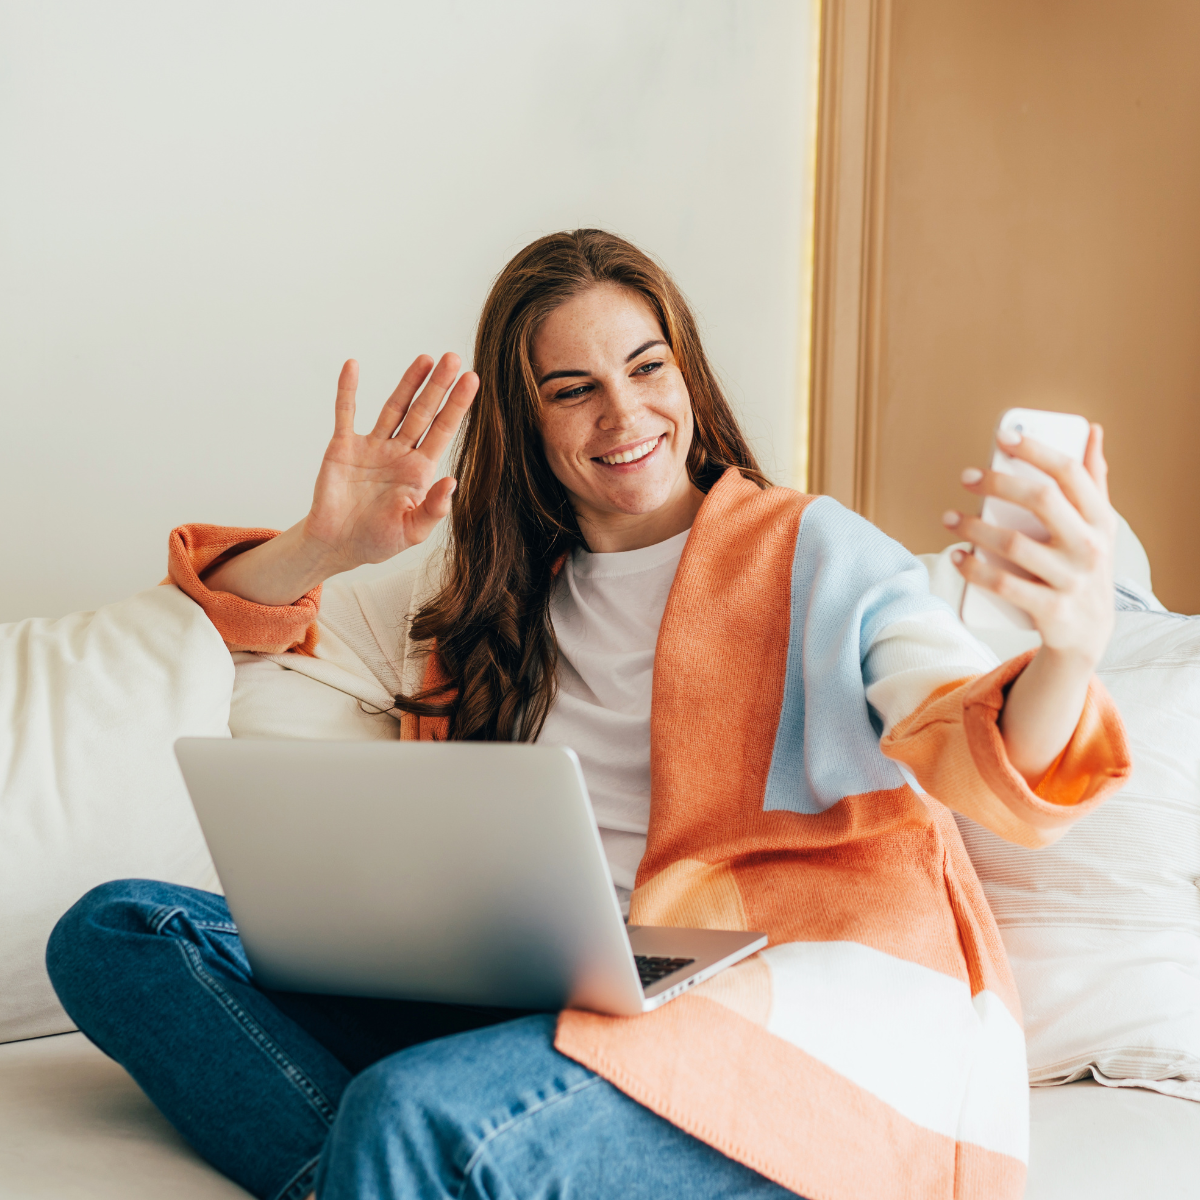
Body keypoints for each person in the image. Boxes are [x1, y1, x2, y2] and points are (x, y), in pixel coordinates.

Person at [46, 229, 1130, 1200]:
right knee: (118, 931)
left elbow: (972, 742)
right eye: (573, 389)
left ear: (687, 374)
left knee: (410, 1113)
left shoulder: (816, 551)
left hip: (785, 1010)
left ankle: (390, 1170)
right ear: (528, 423)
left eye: (646, 367)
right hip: (552, 985)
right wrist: (328, 547)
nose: (624, 415)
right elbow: (229, 628)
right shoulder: (484, 600)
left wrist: (1070, 650)